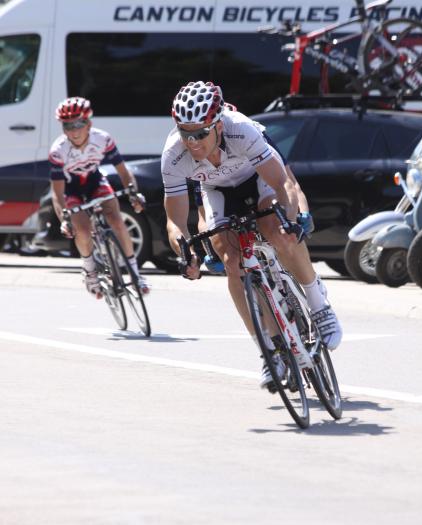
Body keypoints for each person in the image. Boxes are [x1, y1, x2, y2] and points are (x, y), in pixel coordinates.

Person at [161, 81, 342, 388]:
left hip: (257, 179)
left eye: (201, 133)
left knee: (278, 231)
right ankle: (268, 351)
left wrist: (291, 218)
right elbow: (175, 221)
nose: (192, 141)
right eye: (185, 132)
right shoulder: (174, 156)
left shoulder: (241, 129)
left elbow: (284, 183)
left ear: (218, 124)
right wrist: (185, 253)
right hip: (216, 189)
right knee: (232, 262)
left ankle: (317, 301)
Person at [49, 96, 149, 298]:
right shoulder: (58, 151)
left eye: (79, 123)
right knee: (83, 231)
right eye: (68, 125)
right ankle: (89, 270)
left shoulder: (103, 139)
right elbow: (57, 192)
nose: (74, 130)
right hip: (72, 189)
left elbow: (123, 171)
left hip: (95, 182)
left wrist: (133, 193)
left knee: (117, 221)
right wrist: (64, 219)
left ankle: (136, 274)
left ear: (89, 123)